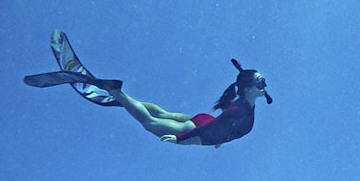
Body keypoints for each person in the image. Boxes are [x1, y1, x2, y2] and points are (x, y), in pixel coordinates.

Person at [24, 31, 271, 147]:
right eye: (261, 83)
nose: (264, 87)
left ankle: (122, 97)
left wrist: (220, 140)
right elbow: (217, 127)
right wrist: (182, 139)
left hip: (200, 122)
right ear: (249, 87)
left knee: (160, 112)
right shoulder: (240, 109)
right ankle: (116, 93)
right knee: (149, 122)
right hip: (199, 128)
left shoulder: (242, 104)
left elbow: (226, 127)